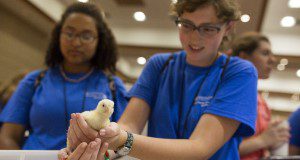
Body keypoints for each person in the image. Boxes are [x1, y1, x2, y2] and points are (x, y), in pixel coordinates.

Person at [61, 0, 259, 159]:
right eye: (186, 25)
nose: (194, 38)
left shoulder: (239, 72)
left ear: (228, 27)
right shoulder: (159, 65)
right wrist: (95, 146)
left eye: (207, 29)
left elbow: (200, 148)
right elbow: (129, 124)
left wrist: (122, 140)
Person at [0, 3, 128, 152]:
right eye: (69, 33)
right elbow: (7, 137)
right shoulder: (34, 81)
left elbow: (124, 142)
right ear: (58, 35)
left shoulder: (113, 86)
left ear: (100, 41)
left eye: (86, 36)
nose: (76, 42)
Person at [231, 32, 290, 159]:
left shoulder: (262, 102)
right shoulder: (230, 95)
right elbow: (217, 150)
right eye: (265, 53)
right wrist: (263, 140)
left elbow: (264, 146)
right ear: (244, 57)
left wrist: (275, 137)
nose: (272, 59)